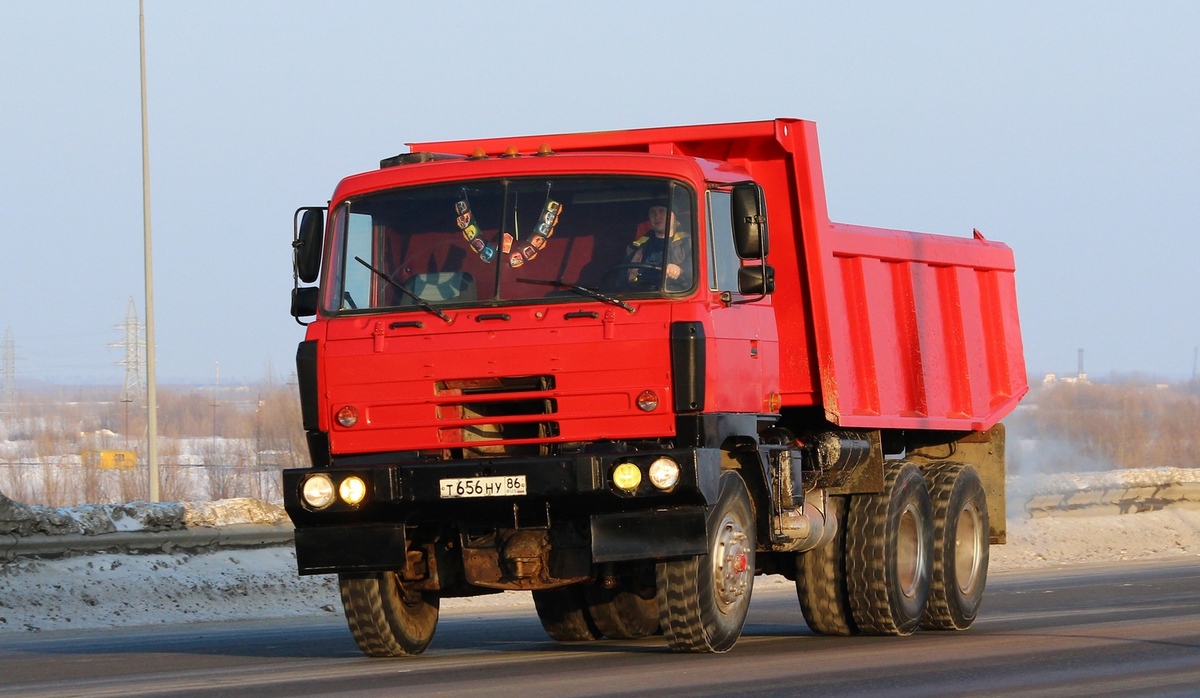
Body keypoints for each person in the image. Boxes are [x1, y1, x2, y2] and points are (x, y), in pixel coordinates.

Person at [623, 200, 693, 291]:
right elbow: (622, 281)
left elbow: (701, 271)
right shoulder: (635, 247)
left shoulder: (689, 243)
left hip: (675, 296)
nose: (657, 216)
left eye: (662, 211)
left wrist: (680, 270)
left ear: (674, 216)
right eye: (652, 212)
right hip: (640, 296)